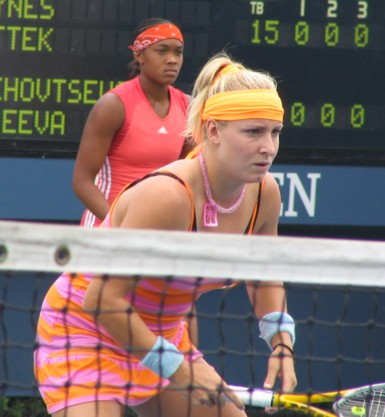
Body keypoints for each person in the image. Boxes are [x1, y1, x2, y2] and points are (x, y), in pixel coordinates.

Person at [34, 53, 297, 417]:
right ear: (213, 131)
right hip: (85, 331)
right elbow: (103, 300)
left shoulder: (265, 194)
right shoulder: (166, 195)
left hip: (160, 335)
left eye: (275, 132)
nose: (268, 147)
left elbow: (264, 277)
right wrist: (180, 369)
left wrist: (281, 341)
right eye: (253, 132)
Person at [72, 17, 195, 229]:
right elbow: (82, 182)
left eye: (178, 52)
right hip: (108, 227)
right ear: (139, 55)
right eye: (162, 51)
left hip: (159, 229)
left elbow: (189, 175)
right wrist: (118, 225)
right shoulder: (113, 105)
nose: (172, 59)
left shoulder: (188, 106)